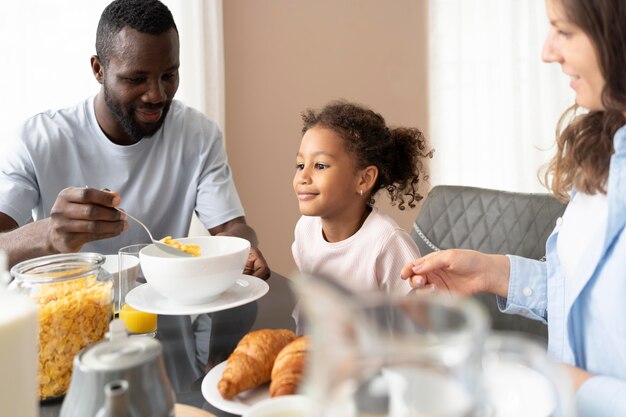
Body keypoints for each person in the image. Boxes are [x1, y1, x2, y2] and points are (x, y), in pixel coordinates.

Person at [401, 0, 626, 414]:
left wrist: (560, 381)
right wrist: (495, 273)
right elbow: (593, 307)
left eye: (565, 31)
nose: (547, 52)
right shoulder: (607, 147)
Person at [0, 0, 269, 279]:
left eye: (169, 75)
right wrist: (48, 234)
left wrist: (241, 248)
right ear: (98, 70)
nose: (156, 95)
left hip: (161, 310)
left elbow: (231, 229)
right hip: (69, 311)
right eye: (136, 78)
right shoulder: (38, 140)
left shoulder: (197, 135)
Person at [293, 100, 432, 294]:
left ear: (364, 179)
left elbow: (420, 315)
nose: (303, 177)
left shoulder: (387, 243)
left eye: (320, 165)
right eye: (300, 165)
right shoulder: (305, 229)